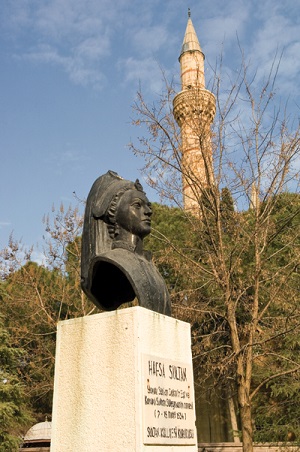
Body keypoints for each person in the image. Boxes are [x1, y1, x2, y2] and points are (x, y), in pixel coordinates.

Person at [81, 171, 171, 316]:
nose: (148, 211)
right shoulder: (110, 262)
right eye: (137, 205)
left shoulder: (151, 266)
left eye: (148, 206)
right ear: (114, 213)